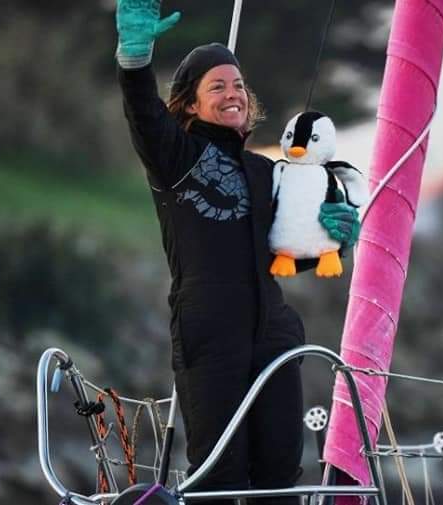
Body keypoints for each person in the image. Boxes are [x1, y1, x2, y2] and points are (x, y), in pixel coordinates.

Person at [114, 1, 360, 503]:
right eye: (217, 86)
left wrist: (335, 235)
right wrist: (134, 58)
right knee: (218, 477)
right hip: (208, 333)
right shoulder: (175, 157)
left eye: (238, 85)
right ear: (189, 105)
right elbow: (142, 113)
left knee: (279, 474)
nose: (233, 93)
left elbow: (289, 250)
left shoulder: (268, 172)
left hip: (274, 335)